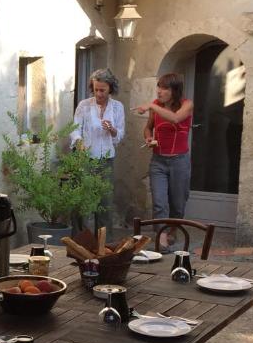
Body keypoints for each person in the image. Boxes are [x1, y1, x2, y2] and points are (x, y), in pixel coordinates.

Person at [134, 72, 195, 249]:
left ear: (174, 91)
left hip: (180, 162)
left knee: (178, 203)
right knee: (159, 202)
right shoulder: (156, 106)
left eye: (164, 88)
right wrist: (148, 138)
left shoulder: (187, 104)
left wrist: (151, 107)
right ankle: (161, 240)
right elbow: (148, 128)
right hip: (158, 161)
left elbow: (175, 118)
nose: (159, 91)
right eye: (158, 87)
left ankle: (172, 232)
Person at [70, 67, 124, 231]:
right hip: (85, 158)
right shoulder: (84, 105)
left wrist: (112, 129)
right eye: (96, 90)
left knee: (105, 202)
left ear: (110, 88)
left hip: (106, 160)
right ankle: (80, 240)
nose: (99, 93)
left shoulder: (117, 107)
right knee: (83, 201)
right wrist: (79, 143)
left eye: (103, 90)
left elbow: (120, 135)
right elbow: (74, 129)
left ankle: (104, 244)